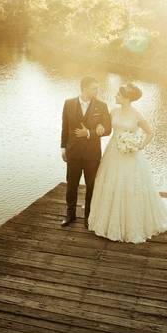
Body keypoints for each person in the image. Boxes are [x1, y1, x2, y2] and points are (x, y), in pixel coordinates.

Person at [87, 82, 167, 243]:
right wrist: (99, 126)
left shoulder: (136, 115)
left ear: (127, 98)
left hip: (130, 156)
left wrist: (139, 145)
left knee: (129, 185)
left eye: (118, 95)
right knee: (111, 182)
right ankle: (107, 219)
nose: (115, 96)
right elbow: (105, 126)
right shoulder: (113, 111)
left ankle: (130, 223)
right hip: (113, 153)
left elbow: (150, 132)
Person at [60, 76, 112, 226]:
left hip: (92, 155)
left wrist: (89, 133)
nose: (97, 91)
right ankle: (70, 215)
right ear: (84, 88)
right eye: (94, 88)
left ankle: (89, 218)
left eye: (97, 88)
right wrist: (63, 147)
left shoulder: (102, 106)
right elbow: (65, 127)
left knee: (91, 186)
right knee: (71, 185)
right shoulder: (68, 103)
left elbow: (108, 129)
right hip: (73, 152)